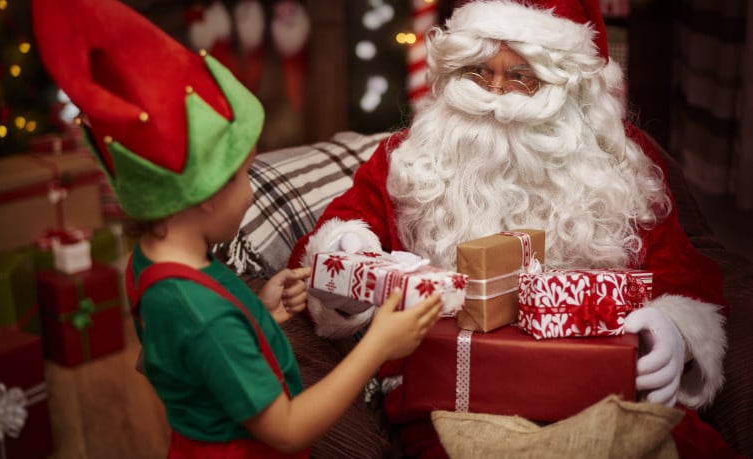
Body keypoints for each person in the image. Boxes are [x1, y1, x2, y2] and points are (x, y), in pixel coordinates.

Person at [289, 0, 737, 456]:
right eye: (478, 71)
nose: (496, 93)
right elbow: (337, 234)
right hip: (453, 400)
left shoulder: (622, 164)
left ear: (571, 87)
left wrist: (675, 334)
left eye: (522, 76)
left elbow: (683, 270)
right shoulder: (409, 158)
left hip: (601, 389)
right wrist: (347, 260)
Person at [30, 0, 443, 457]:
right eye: (244, 176)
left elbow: (202, 360)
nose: (251, 193)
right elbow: (287, 429)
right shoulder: (202, 314)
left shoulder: (153, 261)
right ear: (206, 194)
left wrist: (257, 309)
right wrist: (379, 344)